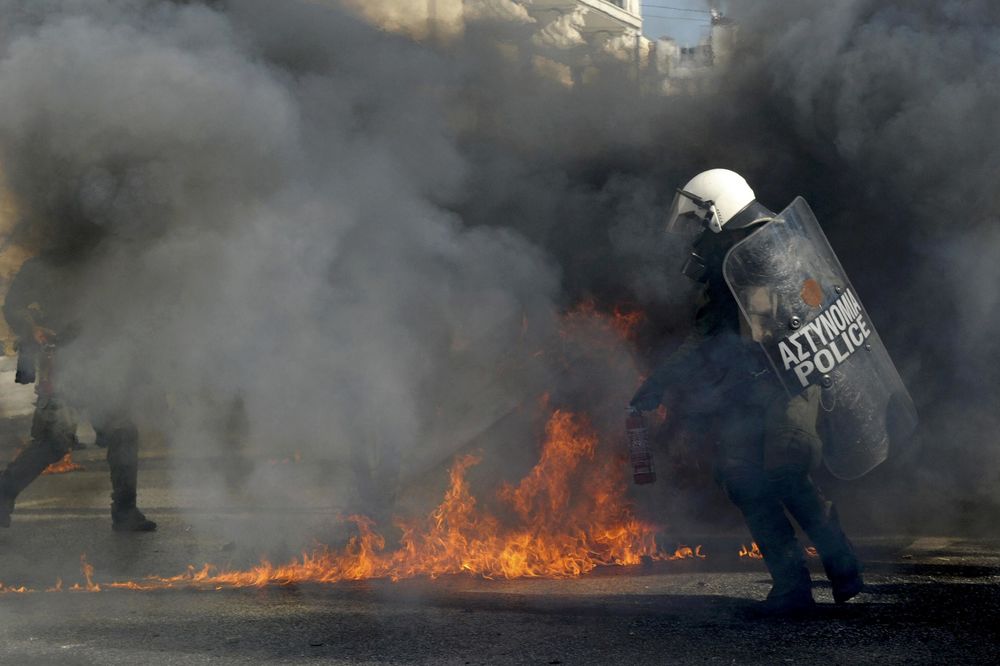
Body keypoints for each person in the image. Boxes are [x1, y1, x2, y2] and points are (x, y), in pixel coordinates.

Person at [630, 169, 866, 612]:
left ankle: (845, 572)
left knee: (786, 474)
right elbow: (706, 337)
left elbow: (807, 311)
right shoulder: (725, 256)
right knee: (742, 479)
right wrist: (660, 384)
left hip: (792, 384)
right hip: (748, 389)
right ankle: (791, 588)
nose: (694, 231)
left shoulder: (776, 245)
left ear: (718, 211)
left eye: (699, 220)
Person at [0, 246, 156, 532]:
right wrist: (32, 327)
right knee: (52, 442)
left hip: (104, 363)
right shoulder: (41, 266)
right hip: (62, 362)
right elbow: (13, 306)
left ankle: (125, 511)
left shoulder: (108, 260)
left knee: (122, 432)